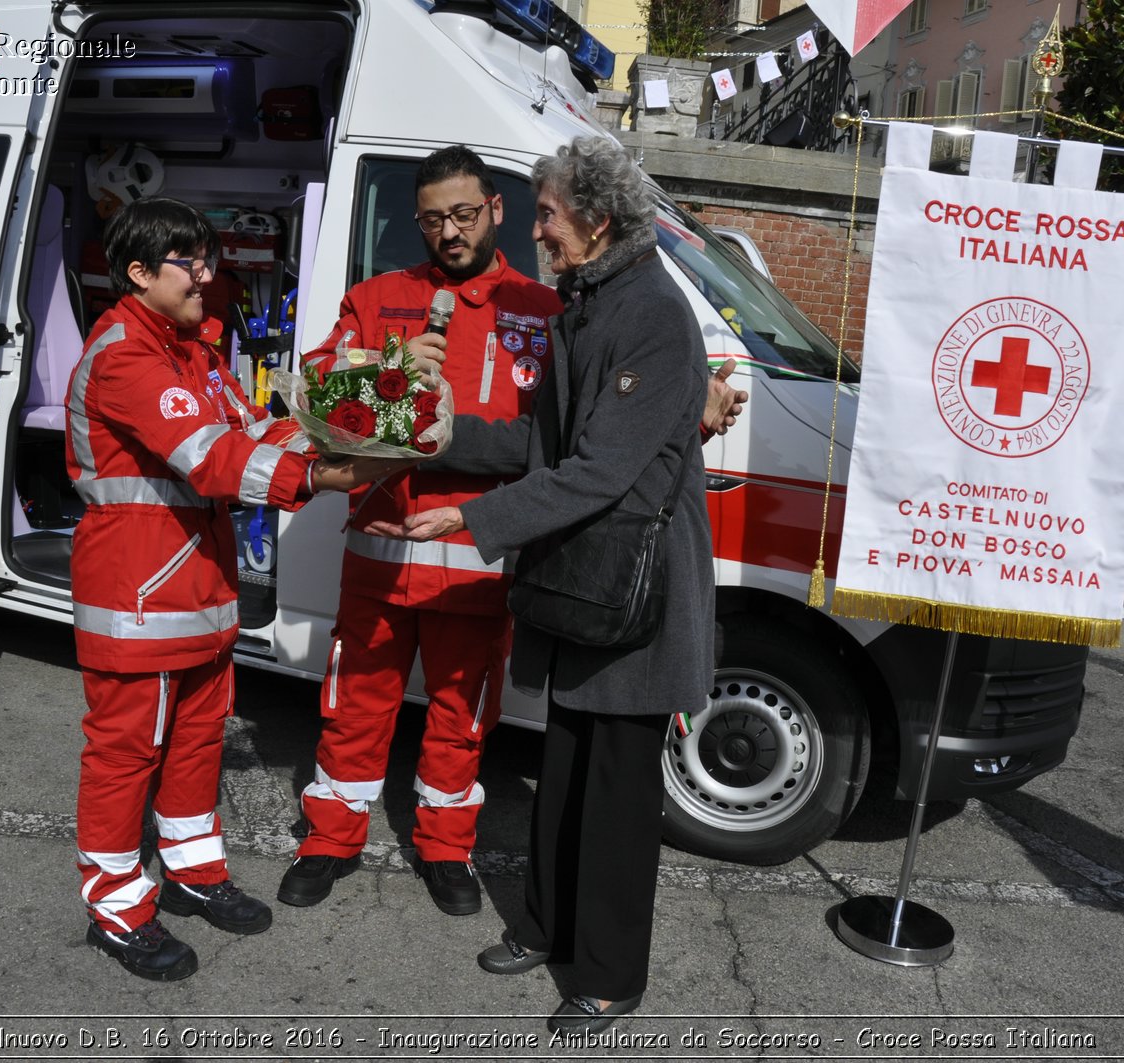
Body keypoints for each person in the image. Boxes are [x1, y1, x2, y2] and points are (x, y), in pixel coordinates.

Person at [371, 137, 716, 1035]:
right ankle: (545, 926)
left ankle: (608, 973)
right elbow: (540, 442)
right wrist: (439, 438)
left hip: (634, 586)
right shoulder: (591, 301)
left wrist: (473, 522)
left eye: (550, 214)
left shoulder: (649, 313)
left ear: (597, 220)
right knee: (565, 773)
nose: (537, 230)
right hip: (581, 577)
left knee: (617, 794)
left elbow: (600, 471)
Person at [68, 196, 409, 982]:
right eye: (190, 263)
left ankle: (192, 870)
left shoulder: (192, 350)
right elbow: (212, 460)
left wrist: (350, 420)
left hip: (196, 593)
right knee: (124, 757)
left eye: (207, 259)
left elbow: (250, 429)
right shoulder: (126, 353)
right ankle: (116, 909)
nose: (207, 276)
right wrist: (323, 475)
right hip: (139, 598)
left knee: (195, 743)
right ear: (139, 272)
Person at [277, 146, 564, 917]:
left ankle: (445, 848)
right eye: (434, 219)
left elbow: (567, 437)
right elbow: (321, 408)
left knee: (462, 713)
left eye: (464, 215)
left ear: (496, 210)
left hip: (478, 558)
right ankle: (329, 837)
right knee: (355, 704)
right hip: (379, 551)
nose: (450, 232)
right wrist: (389, 368)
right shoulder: (377, 299)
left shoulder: (543, 311)